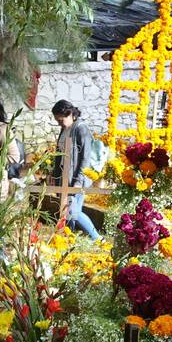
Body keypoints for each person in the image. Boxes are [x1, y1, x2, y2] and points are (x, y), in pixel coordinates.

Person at [50, 99, 100, 239]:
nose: (59, 123)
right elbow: (59, 154)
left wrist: (78, 181)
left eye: (61, 120)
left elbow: (85, 158)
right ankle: (68, 238)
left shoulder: (80, 129)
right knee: (67, 211)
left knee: (73, 212)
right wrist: (55, 175)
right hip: (64, 177)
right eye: (57, 120)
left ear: (71, 114)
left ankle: (97, 238)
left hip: (76, 178)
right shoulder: (65, 128)